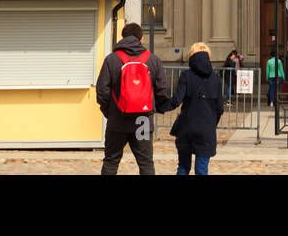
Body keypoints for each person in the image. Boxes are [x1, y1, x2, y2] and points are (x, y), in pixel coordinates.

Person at [95, 22, 170, 175]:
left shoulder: (112, 59)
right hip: (142, 121)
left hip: (117, 120)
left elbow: (102, 91)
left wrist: (109, 111)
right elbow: (163, 91)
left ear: (122, 38)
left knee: (111, 161)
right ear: (141, 39)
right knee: (146, 164)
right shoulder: (153, 60)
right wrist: (153, 107)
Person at [164, 41, 225, 175]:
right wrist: (212, 123)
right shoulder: (215, 78)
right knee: (201, 169)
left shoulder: (186, 75)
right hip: (206, 129)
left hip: (187, 127)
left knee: (183, 167)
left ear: (191, 56)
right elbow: (220, 108)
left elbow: (176, 100)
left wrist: (159, 106)